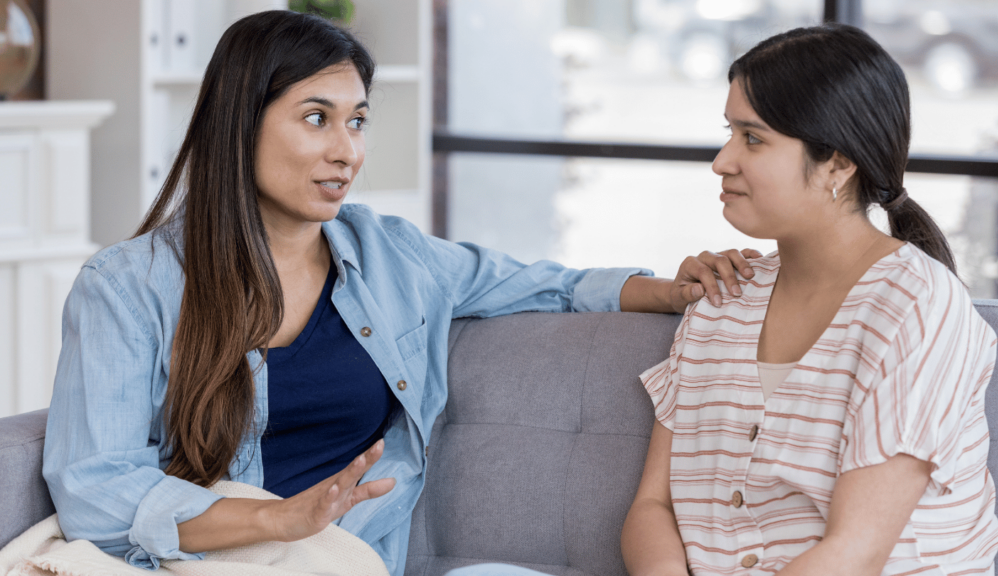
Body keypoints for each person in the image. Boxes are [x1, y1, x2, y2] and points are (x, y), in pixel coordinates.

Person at [41, 10, 758, 575]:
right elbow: (93, 487)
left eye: (357, 121)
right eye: (316, 117)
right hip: (197, 559)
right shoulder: (127, 287)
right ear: (240, 122)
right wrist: (279, 519)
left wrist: (672, 290)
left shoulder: (392, 256)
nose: (346, 150)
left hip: (344, 561)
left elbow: (551, 285)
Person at [621, 24, 998, 576]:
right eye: (729, 132)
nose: (722, 161)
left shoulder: (917, 305)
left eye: (752, 138)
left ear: (838, 165)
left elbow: (855, 554)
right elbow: (654, 506)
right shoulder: (724, 296)